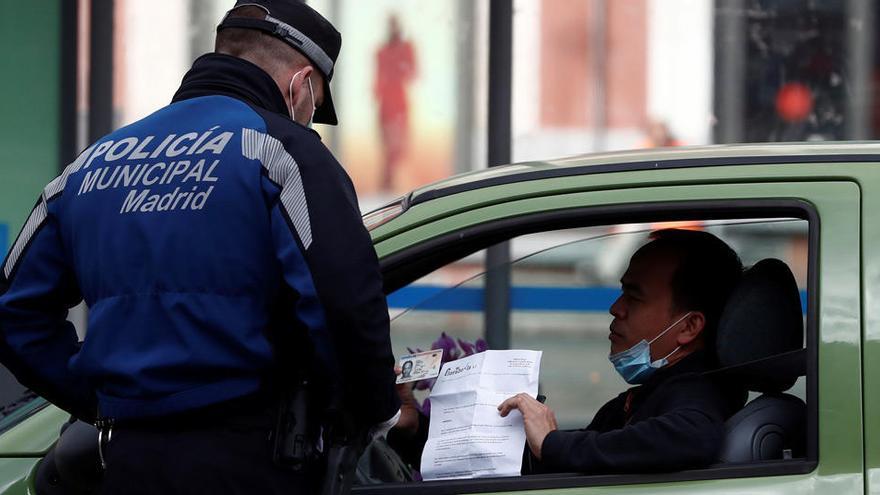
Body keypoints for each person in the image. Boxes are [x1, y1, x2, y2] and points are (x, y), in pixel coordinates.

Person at [0, 1, 400, 493]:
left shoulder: (89, 166)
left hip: (122, 463)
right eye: (315, 104)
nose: (310, 119)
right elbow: (343, 301)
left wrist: (103, 397)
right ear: (301, 85)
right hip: (250, 463)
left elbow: (13, 312)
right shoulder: (285, 153)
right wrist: (374, 411)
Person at [497, 229, 746, 474]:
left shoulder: (698, 395)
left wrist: (552, 445)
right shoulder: (645, 397)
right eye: (622, 293)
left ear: (689, 326)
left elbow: (693, 435)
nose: (616, 308)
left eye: (634, 297)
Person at [374, 14, 417, 191]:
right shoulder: (382, 51)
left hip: (398, 102)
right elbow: (378, 78)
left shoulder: (406, 48)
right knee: (390, 147)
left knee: (398, 147)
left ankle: (392, 183)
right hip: (387, 103)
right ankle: (387, 184)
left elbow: (413, 72)